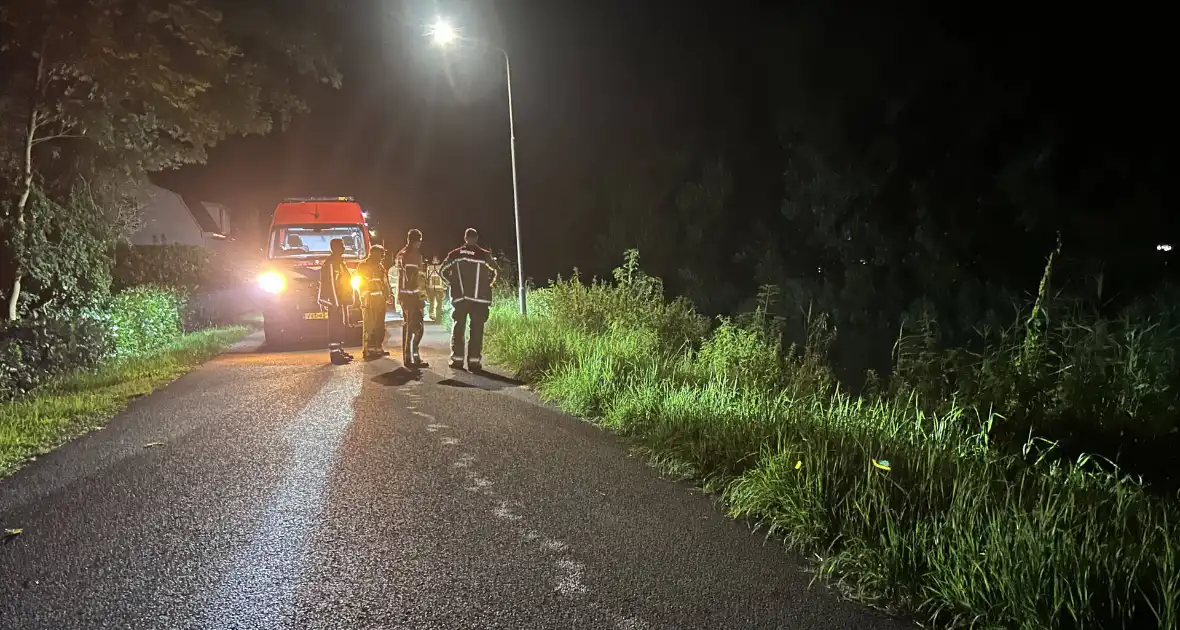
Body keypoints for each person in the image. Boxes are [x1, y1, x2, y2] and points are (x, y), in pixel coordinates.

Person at [440, 227, 498, 371]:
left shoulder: (455, 254)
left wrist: (452, 282)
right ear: (476, 238)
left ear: (465, 238)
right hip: (480, 299)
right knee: (476, 330)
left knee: (459, 327)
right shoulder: (484, 255)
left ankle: (457, 360)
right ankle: (474, 362)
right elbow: (496, 271)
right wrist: (488, 284)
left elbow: (442, 271)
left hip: (461, 298)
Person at [395, 229, 429, 369]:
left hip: (405, 295)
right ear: (417, 240)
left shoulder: (401, 254)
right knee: (414, 327)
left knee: (411, 326)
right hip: (412, 296)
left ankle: (412, 357)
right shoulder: (413, 255)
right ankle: (411, 358)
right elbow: (415, 279)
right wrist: (421, 298)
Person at [317, 238, 355, 364]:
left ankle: (339, 350)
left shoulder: (338, 261)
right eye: (342, 246)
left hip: (340, 300)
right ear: (335, 247)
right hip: (335, 301)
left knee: (340, 326)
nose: (344, 248)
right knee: (335, 326)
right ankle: (335, 355)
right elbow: (332, 284)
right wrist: (336, 303)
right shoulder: (332, 263)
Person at [357, 244, 391, 359]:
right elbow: (362, 284)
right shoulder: (363, 266)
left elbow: (384, 282)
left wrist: (387, 295)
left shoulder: (380, 267)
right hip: (369, 301)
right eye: (382, 254)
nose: (383, 256)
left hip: (380, 301)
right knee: (370, 326)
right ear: (375, 254)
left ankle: (378, 348)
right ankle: (369, 351)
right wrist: (366, 298)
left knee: (380, 326)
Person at [426, 255, 446, 322]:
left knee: (439, 303)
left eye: (435, 260)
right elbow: (426, 277)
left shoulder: (441, 267)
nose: (434, 261)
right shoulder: (429, 268)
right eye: (433, 260)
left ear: (438, 261)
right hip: (431, 288)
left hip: (439, 288)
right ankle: (432, 316)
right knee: (432, 302)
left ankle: (438, 317)